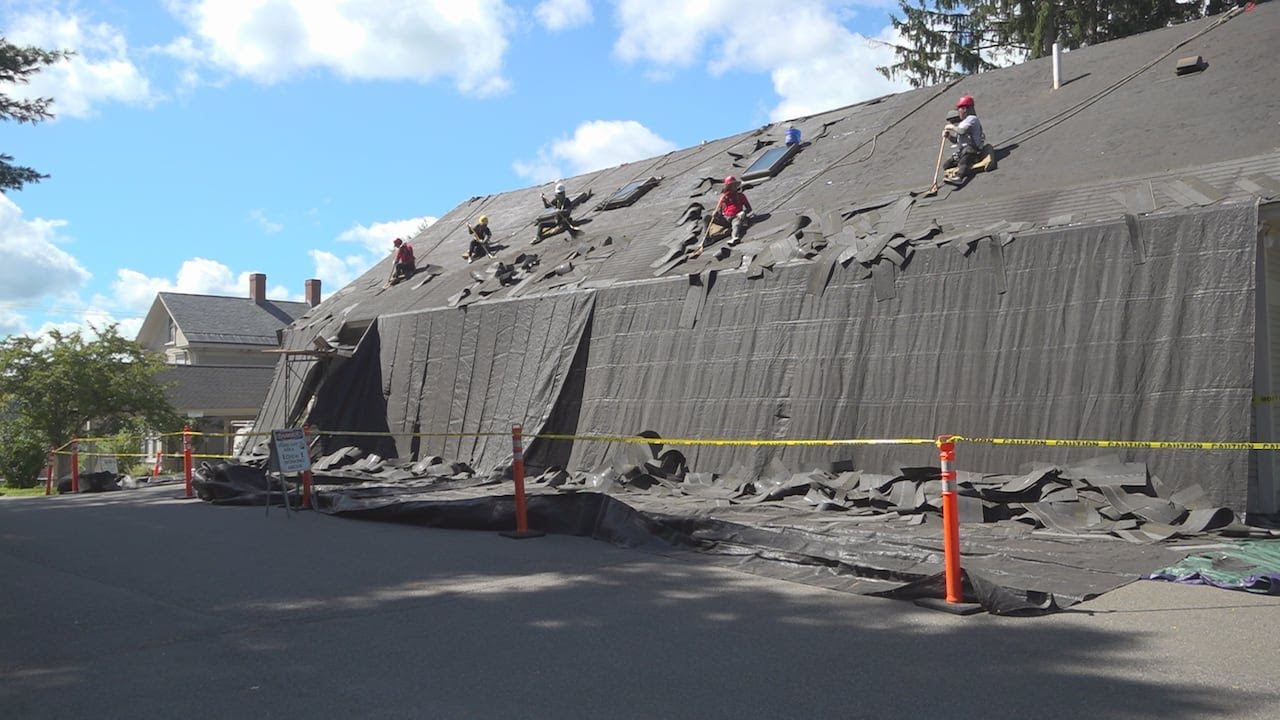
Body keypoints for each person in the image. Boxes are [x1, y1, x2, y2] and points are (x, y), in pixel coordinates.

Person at [943, 95, 986, 185]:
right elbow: (956, 140)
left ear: (964, 109)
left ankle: (959, 177)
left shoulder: (972, 119)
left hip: (972, 150)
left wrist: (951, 127)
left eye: (959, 110)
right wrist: (949, 136)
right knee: (946, 165)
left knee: (966, 156)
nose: (959, 112)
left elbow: (962, 131)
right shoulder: (962, 123)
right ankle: (964, 165)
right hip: (962, 151)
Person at [710, 175, 752, 244]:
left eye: (735, 185)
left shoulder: (741, 196)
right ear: (728, 187)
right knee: (706, 218)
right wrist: (715, 213)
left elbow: (749, 208)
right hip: (725, 219)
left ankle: (734, 237)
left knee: (736, 224)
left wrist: (744, 212)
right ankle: (707, 238)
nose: (734, 187)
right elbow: (719, 212)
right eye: (732, 185)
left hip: (736, 217)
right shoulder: (723, 197)